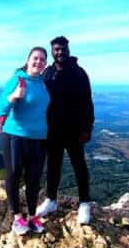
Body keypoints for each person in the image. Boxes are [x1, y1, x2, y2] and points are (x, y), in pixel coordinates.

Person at [37, 36, 95, 224]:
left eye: (63, 48)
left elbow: (87, 102)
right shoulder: (47, 73)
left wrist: (87, 128)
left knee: (79, 165)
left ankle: (85, 203)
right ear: (52, 52)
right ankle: (51, 200)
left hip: (74, 130)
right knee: (53, 165)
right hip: (52, 130)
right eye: (56, 49)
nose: (60, 52)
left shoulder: (79, 73)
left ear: (68, 49)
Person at [0, 46, 50, 235]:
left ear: (45, 64)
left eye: (42, 59)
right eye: (35, 58)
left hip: (40, 138)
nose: (38, 62)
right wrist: (13, 96)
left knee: (34, 179)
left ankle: (33, 215)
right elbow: (0, 108)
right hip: (15, 135)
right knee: (14, 176)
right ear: (28, 60)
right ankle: (17, 217)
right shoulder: (17, 79)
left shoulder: (44, 82)